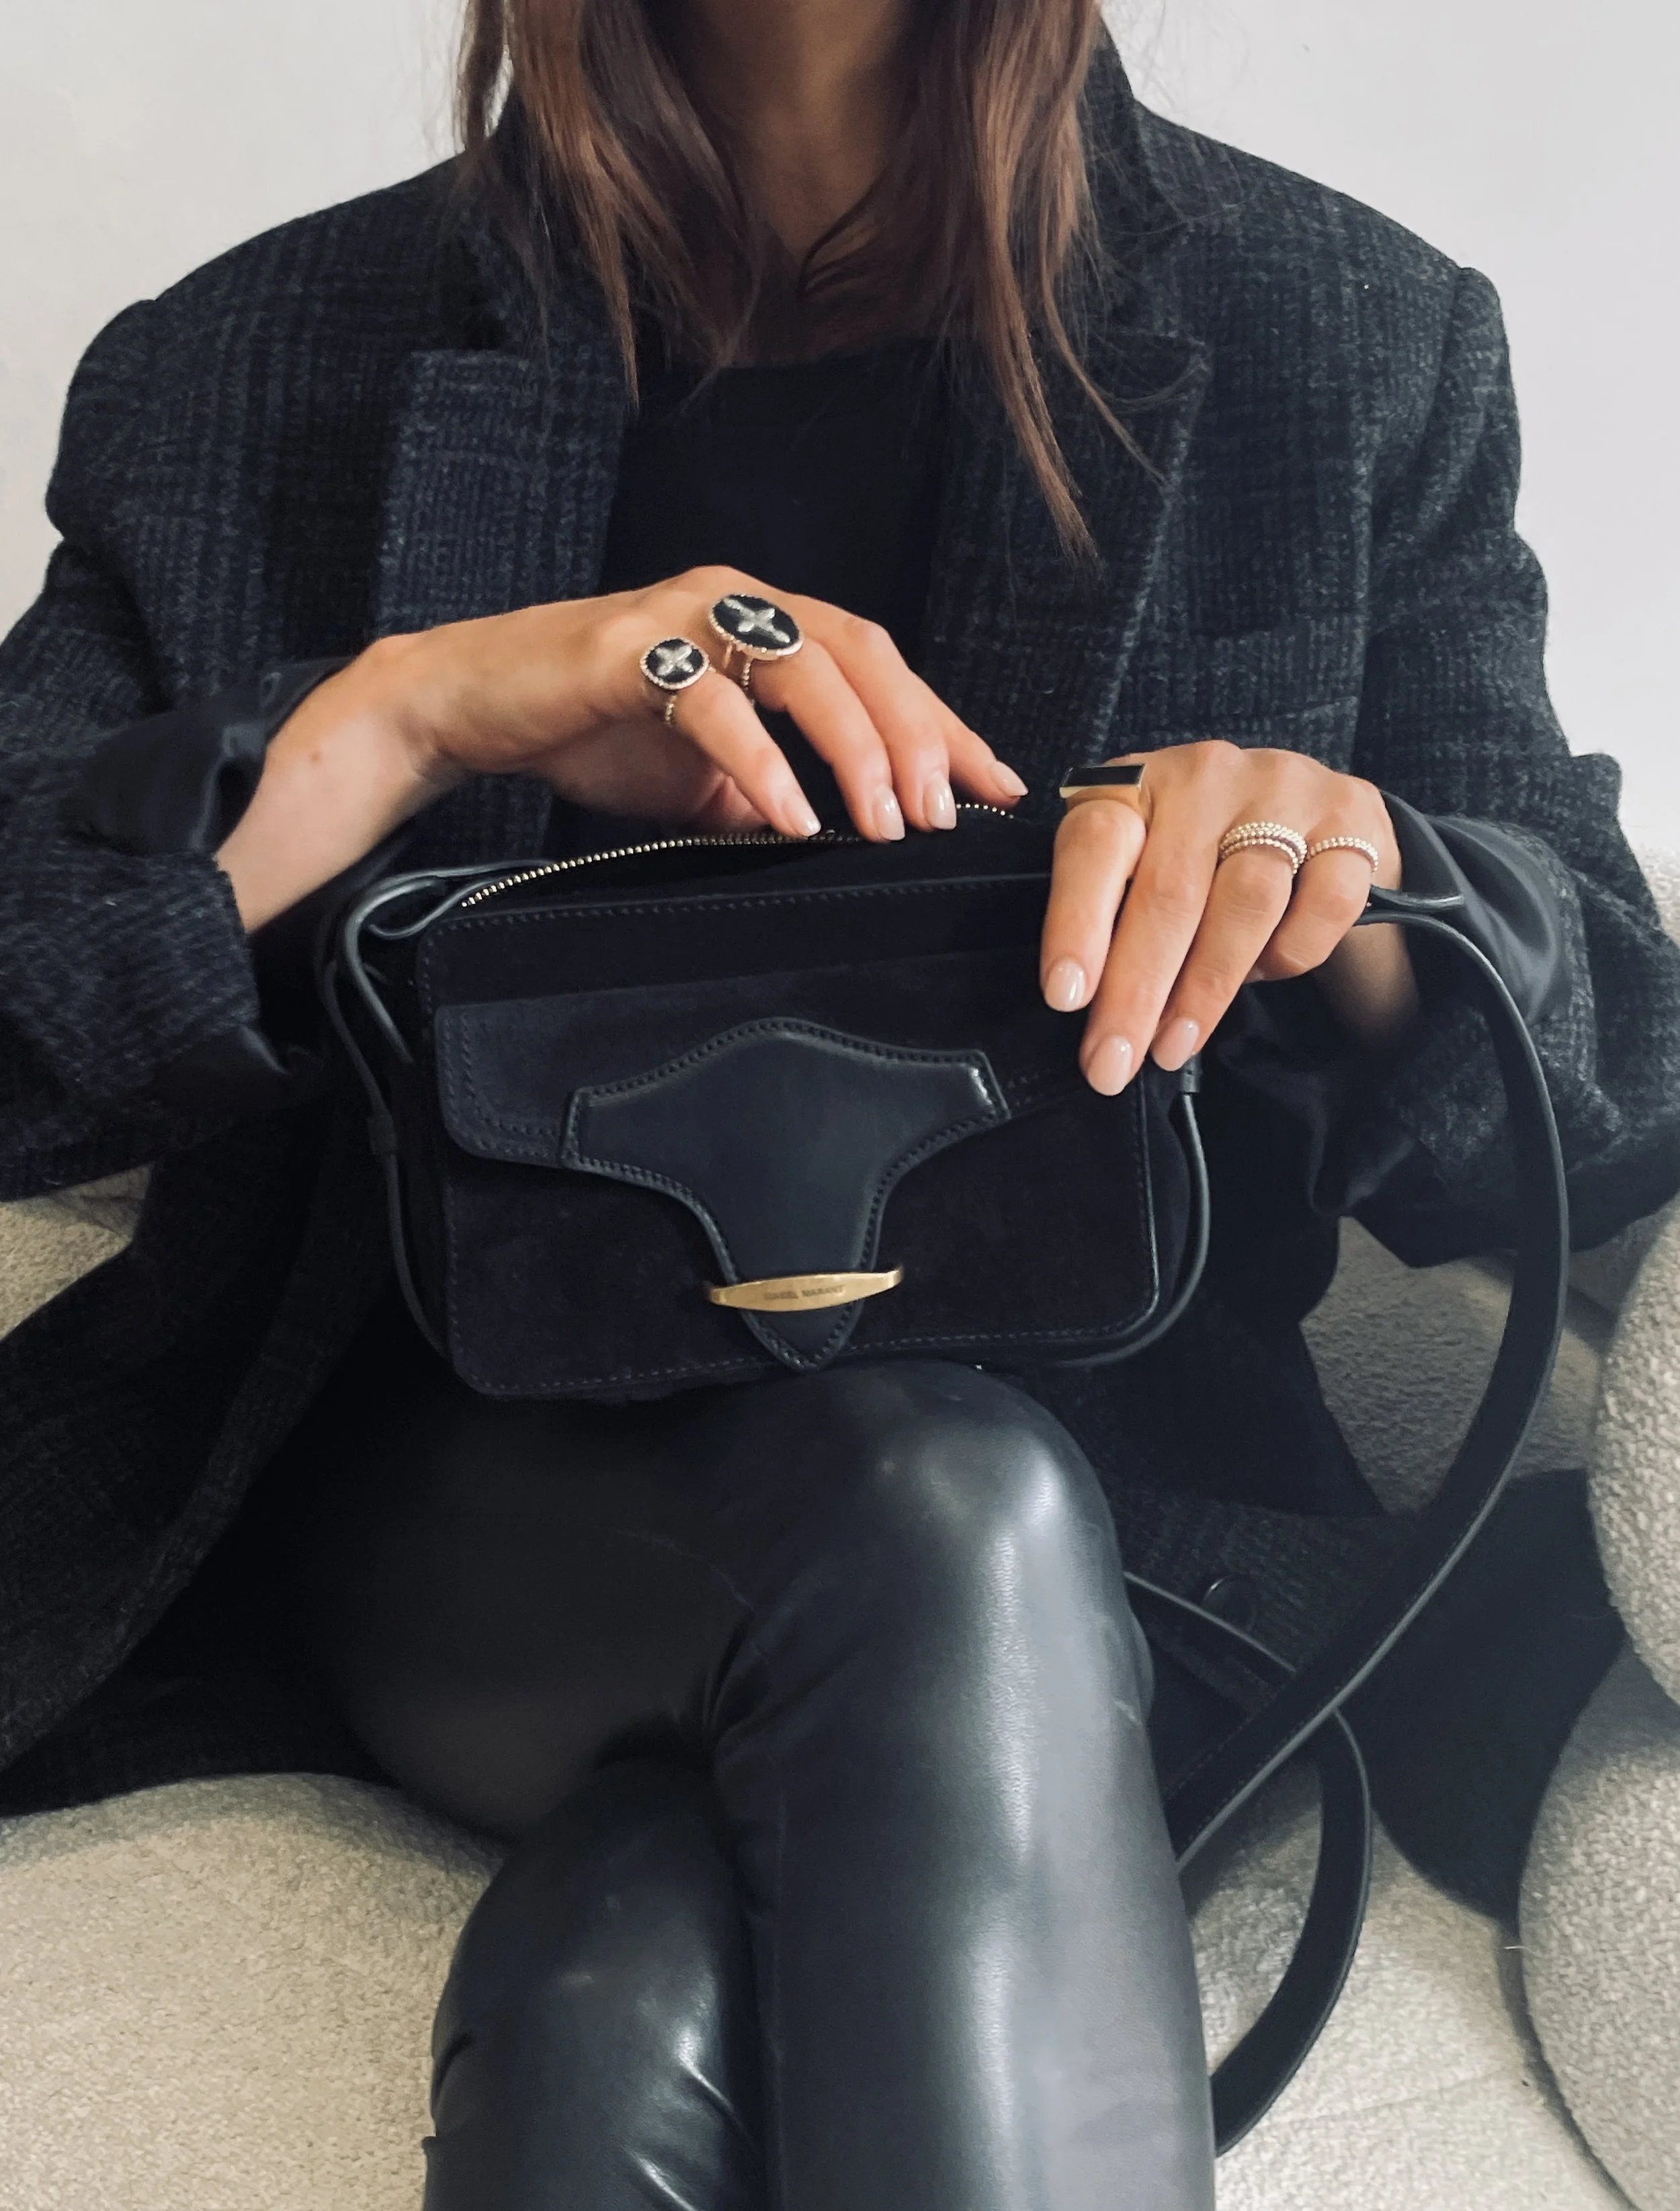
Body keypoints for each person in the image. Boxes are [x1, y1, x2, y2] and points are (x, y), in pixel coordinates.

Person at [1, 0, 1676, 2204]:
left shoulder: (1343, 334)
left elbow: (1601, 1078)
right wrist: (396, 727)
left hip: (1128, 1503)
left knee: (623, 2025)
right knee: (928, 1506)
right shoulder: (243, 357)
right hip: (473, 1513)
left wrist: (1343, 874)